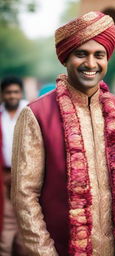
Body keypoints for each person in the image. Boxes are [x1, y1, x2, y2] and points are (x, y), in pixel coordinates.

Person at [11, 11, 115, 256]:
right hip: (61, 249)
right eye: (81, 54)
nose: (91, 64)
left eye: (99, 55)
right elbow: (25, 196)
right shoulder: (36, 114)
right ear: (66, 58)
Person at [0, 76, 28, 256]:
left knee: (25, 215)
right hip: (3, 174)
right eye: (8, 92)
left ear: (21, 93)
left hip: (25, 174)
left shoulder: (29, 112)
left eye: (15, 92)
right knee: (6, 216)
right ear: (2, 94)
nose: (12, 96)